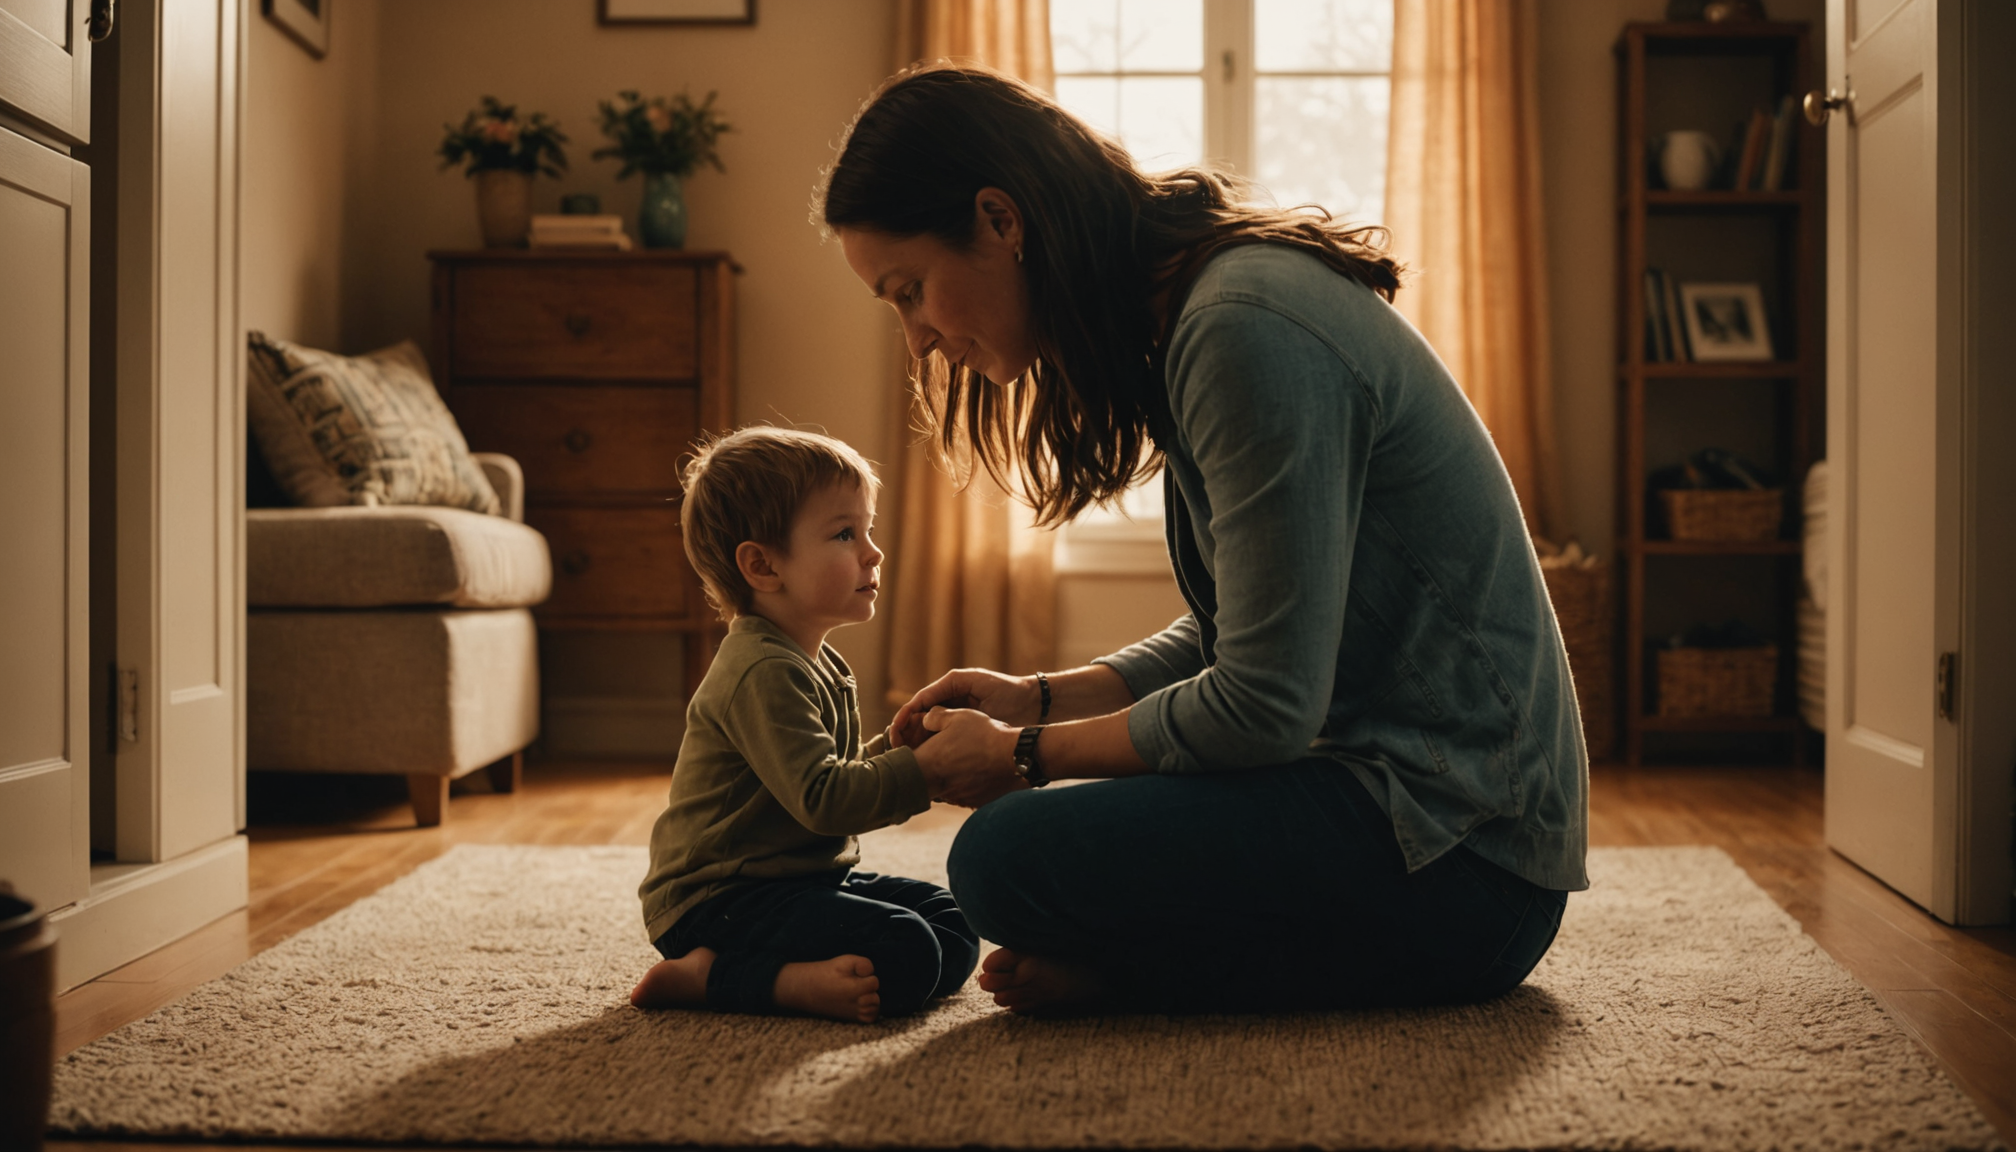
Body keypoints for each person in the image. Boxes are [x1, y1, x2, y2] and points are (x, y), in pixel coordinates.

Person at [818, 65, 1590, 1016]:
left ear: (999, 220)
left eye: (910, 292)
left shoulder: (1241, 327)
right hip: (1401, 807)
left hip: (1467, 863)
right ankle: (1167, 968)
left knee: (1005, 857)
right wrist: (1046, 695)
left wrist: (1021, 752)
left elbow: (1262, 705)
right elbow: (1246, 631)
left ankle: (1152, 975)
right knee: (1025, 856)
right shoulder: (1196, 312)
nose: (919, 342)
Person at [630, 427, 980, 1024]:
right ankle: (721, 977)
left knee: (954, 923)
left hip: (796, 880)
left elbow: (821, 775)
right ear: (763, 565)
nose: (874, 552)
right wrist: (922, 772)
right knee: (908, 950)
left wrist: (893, 749)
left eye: (867, 530)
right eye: (846, 534)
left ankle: (783, 964)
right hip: (718, 901)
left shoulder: (813, 659)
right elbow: (824, 801)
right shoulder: (761, 670)